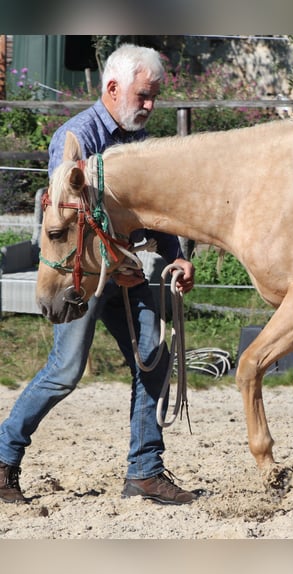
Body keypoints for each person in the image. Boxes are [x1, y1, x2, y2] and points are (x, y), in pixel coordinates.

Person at [0, 44, 198, 505]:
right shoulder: (76, 139)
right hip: (82, 276)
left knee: (153, 358)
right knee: (65, 372)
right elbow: (74, 220)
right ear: (113, 88)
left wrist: (176, 255)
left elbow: (154, 210)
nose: (150, 106)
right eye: (144, 96)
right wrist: (122, 261)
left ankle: (145, 471)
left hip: (125, 271)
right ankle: (4, 457)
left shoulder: (138, 142)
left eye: (153, 97)